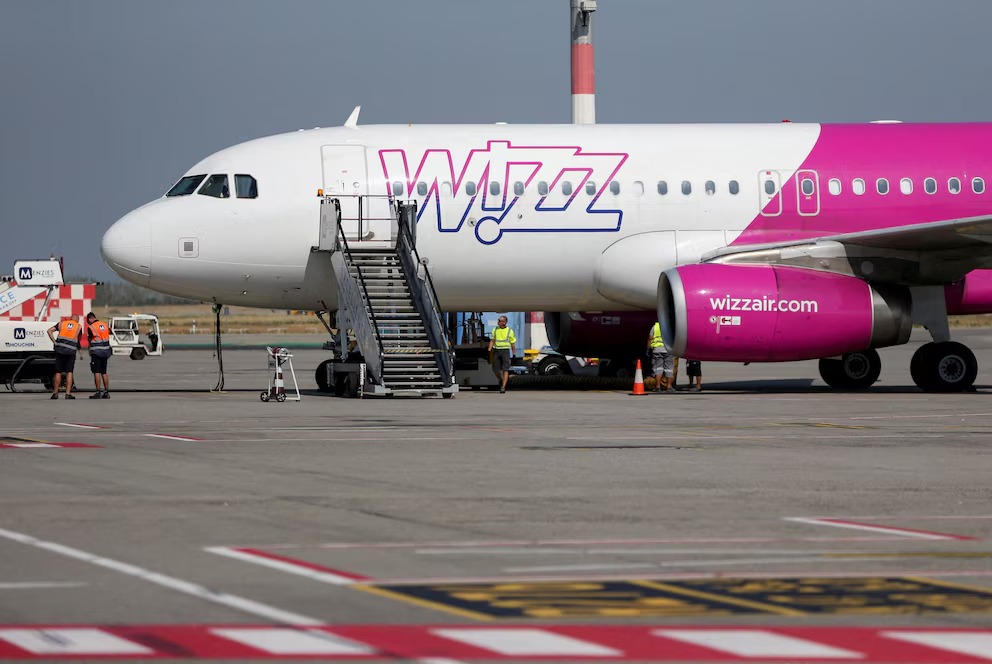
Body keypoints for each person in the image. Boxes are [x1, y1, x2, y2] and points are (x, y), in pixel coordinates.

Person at [47, 314, 82, 400]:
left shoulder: (62, 323)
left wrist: (55, 342)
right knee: (69, 372)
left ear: (70, 319)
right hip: (71, 351)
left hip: (60, 350)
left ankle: (55, 393)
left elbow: (49, 331)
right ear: (77, 320)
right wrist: (80, 352)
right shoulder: (78, 326)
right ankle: (68, 393)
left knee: (58, 371)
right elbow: (78, 341)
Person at [487, 315, 517, 394]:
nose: (498, 322)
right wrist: (489, 350)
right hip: (496, 351)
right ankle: (501, 379)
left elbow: (512, 343)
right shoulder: (495, 329)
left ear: (504, 322)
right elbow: (492, 340)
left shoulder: (509, 331)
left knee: (505, 369)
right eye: (498, 320)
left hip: (505, 351)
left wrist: (514, 354)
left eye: (500, 321)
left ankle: (503, 387)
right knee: (495, 369)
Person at [86, 312, 113, 399]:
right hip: (105, 351)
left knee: (96, 372)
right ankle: (106, 392)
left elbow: (90, 338)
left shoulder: (91, 327)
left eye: (88, 321)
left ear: (90, 319)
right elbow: (110, 332)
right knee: (104, 372)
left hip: (96, 352)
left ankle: (98, 392)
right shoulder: (105, 325)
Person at [648, 321, 674, 392]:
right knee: (669, 369)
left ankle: (658, 387)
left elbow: (650, 338)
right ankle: (669, 387)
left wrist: (648, 349)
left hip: (657, 350)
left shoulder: (655, 327)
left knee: (658, 368)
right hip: (668, 350)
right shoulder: (670, 326)